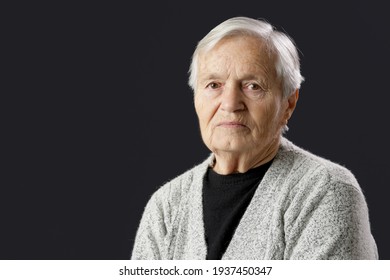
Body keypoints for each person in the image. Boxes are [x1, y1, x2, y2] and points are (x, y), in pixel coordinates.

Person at [131, 16, 378, 260]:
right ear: (196, 98)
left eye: (252, 86)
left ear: (288, 103)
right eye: (214, 85)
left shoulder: (326, 191)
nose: (230, 104)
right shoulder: (165, 207)